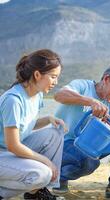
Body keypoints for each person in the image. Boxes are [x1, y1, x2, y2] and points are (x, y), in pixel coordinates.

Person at [52, 65, 110, 198]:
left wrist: (109, 118)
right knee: (89, 162)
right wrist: (90, 101)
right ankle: (58, 176)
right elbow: (59, 95)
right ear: (106, 79)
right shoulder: (82, 85)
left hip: (87, 144)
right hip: (64, 142)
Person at [0, 49, 66, 200]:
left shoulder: (37, 95)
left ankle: (37, 194)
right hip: (3, 153)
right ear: (37, 75)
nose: (56, 82)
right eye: (53, 77)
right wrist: (45, 161)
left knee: (55, 133)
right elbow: (13, 145)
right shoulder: (13, 100)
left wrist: (48, 118)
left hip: (9, 153)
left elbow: (25, 125)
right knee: (42, 173)